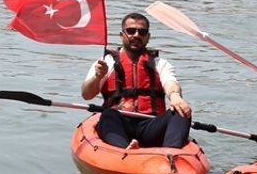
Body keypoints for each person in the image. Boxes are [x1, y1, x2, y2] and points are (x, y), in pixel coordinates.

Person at [81, 12, 193, 149]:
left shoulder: (160, 63)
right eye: (131, 31)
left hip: (151, 125)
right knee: (108, 114)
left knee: (181, 111)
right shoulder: (106, 63)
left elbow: (170, 82)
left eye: (142, 32)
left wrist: (175, 97)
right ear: (122, 35)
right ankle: (124, 151)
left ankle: (171, 155)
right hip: (119, 124)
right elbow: (87, 94)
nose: (136, 35)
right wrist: (98, 76)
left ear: (148, 37)